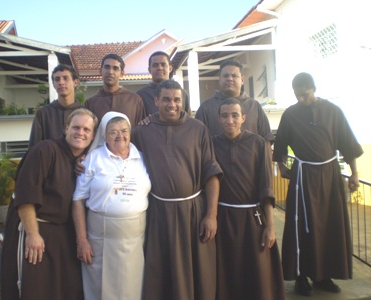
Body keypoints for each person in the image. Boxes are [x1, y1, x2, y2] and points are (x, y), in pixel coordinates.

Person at [273, 72, 363, 296]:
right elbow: (280, 146)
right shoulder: (291, 114)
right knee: (301, 228)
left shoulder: (333, 112)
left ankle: (324, 276)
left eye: (305, 95)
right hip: (302, 178)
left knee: (330, 226)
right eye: (297, 96)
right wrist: (281, 167)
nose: (301, 99)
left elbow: (347, 145)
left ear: (314, 89)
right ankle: (301, 276)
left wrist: (354, 174)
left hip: (330, 176)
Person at [131, 79, 223, 300]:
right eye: (166, 99)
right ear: (156, 101)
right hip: (157, 212)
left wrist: (211, 215)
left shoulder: (198, 129)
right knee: (160, 269)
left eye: (176, 100)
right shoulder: (142, 131)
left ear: (182, 102)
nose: (171, 104)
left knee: (197, 269)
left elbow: (211, 173)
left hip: (192, 212)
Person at [1, 108, 98, 300]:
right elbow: (25, 195)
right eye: (76, 127)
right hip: (35, 230)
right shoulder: (44, 150)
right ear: (66, 128)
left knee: (64, 289)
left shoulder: (83, 160)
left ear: (93, 135)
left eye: (87, 130)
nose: (81, 133)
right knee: (36, 289)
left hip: (62, 234)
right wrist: (33, 235)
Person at [72, 111, 151, 300]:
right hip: (101, 238)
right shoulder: (92, 159)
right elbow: (77, 200)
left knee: (132, 288)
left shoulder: (143, 157)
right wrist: (82, 241)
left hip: (135, 239)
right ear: (104, 135)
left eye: (124, 131)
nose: (119, 136)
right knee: (101, 289)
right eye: (113, 132)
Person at [213, 98, 286, 300]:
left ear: (243, 118)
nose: (230, 120)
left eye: (235, 115)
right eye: (225, 116)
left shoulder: (258, 144)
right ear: (219, 119)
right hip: (224, 218)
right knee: (228, 270)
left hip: (253, 218)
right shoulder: (212, 144)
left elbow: (266, 187)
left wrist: (270, 226)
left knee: (257, 272)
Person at [195, 59, 274, 143]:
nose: (230, 79)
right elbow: (197, 140)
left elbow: (267, 138)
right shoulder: (206, 108)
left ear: (242, 80)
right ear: (219, 79)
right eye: (226, 76)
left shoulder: (254, 106)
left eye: (234, 76)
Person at [29, 64, 84, 147]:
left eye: (65, 78)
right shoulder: (43, 114)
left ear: (75, 82)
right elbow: (34, 148)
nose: (61, 83)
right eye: (57, 79)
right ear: (53, 84)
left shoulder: (85, 113)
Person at [85, 53, 146, 126]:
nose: (110, 72)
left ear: (122, 73)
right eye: (107, 67)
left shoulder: (134, 100)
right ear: (100, 71)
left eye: (115, 68)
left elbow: (141, 130)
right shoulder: (91, 103)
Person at [137, 51, 191, 116]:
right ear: (149, 69)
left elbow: (188, 119)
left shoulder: (182, 94)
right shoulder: (140, 96)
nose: (160, 68)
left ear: (170, 68)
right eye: (155, 65)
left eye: (163, 65)